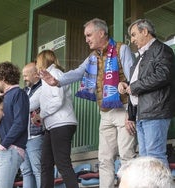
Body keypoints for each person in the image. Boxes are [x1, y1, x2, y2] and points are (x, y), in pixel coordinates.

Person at [40, 18, 136, 188]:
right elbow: (77, 73)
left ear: (101, 33)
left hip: (124, 110)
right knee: (104, 159)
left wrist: (132, 113)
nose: (86, 39)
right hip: (105, 113)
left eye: (89, 35)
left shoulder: (122, 49)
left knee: (126, 156)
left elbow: (133, 80)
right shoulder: (93, 57)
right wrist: (56, 81)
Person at [118, 19, 175, 167]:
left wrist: (134, 86)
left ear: (145, 31)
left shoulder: (161, 49)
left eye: (134, 34)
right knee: (145, 160)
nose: (132, 39)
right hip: (142, 114)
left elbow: (163, 75)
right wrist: (127, 85)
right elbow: (137, 84)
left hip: (155, 112)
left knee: (155, 156)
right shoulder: (140, 57)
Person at [36, 50, 78, 188]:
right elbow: (37, 99)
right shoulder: (47, 77)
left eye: (37, 61)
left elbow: (58, 100)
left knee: (62, 163)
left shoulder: (54, 73)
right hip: (52, 126)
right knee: (46, 163)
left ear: (42, 60)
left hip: (61, 124)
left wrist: (42, 114)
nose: (36, 64)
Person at [0, 61, 29, 188]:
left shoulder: (19, 94)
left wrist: (3, 144)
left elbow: (20, 123)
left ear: (3, 78)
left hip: (10, 149)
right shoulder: (4, 97)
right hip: (3, 149)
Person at [20, 62, 43, 188]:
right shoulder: (23, 91)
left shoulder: (43, 87)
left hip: (36, 136)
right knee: (26, 172)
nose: (24, 79)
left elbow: (27, 107)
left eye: (26, 76)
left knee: (38, 170)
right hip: (23, 138)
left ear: (35, 75)